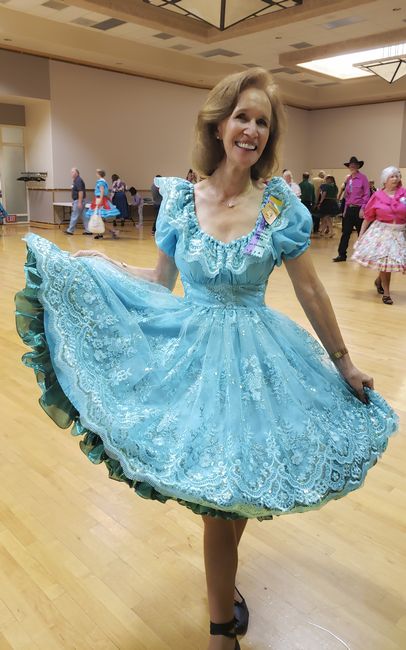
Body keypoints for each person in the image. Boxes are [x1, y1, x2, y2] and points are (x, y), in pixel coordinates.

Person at [15, 69, 397, 650]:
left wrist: (344, 363)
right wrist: (98, 267)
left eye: (263, 122)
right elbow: (159, 281)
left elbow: (310, 290)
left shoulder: (277, 206)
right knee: (220, 500)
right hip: (193, 363)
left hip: (259, 365)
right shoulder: (181, 201)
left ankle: (222, 595)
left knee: (233, 491)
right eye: (242, 117)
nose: (252, 130)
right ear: (219, 126)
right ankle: (222, 630)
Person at [352, 166, 406, 305]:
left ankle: (379, 281)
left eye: (397, 176)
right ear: (385, 180)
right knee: (386, 263)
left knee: (388, 264)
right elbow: (368, 217)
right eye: (392, 176)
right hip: (382, 233)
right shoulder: (377, 196)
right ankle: (386, 293)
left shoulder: (404, 194)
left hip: (399, 233)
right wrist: (361, 236)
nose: (395, 179)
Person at [333, 156, 369, 262]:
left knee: (361, 233)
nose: (352, 166)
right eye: (351, 165)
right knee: (345, 233)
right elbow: (347, 196)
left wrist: (363, 208)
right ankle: (341, 255)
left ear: (358, 166)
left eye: (354, 165)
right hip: (349, 209)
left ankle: (364, 256)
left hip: (359, 209)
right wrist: (345, 210)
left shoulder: (363, 178)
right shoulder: (348, 179)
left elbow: (367, 194)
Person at [86, 169, 120, 239]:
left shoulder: (101, 182)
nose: (96, 174)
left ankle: (113, 231)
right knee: (99, 218)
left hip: (100, 200)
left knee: (99, 218)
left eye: (97, 173)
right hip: (101, 199)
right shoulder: (103, 182)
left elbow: (102, 191)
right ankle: (103, 233)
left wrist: (100, 201)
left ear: (99, 174)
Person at [65, 168, 91, 236]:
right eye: (71, 172)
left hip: (79, 201)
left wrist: (79, 202)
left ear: (76, 173)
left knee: (74, 215)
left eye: (72, 172)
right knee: (85, 216)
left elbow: (80, 191)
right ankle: (88, 230)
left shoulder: (78, 180)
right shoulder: (76, 180)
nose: (71, 173)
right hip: (78, 200)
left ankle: (70, 230)